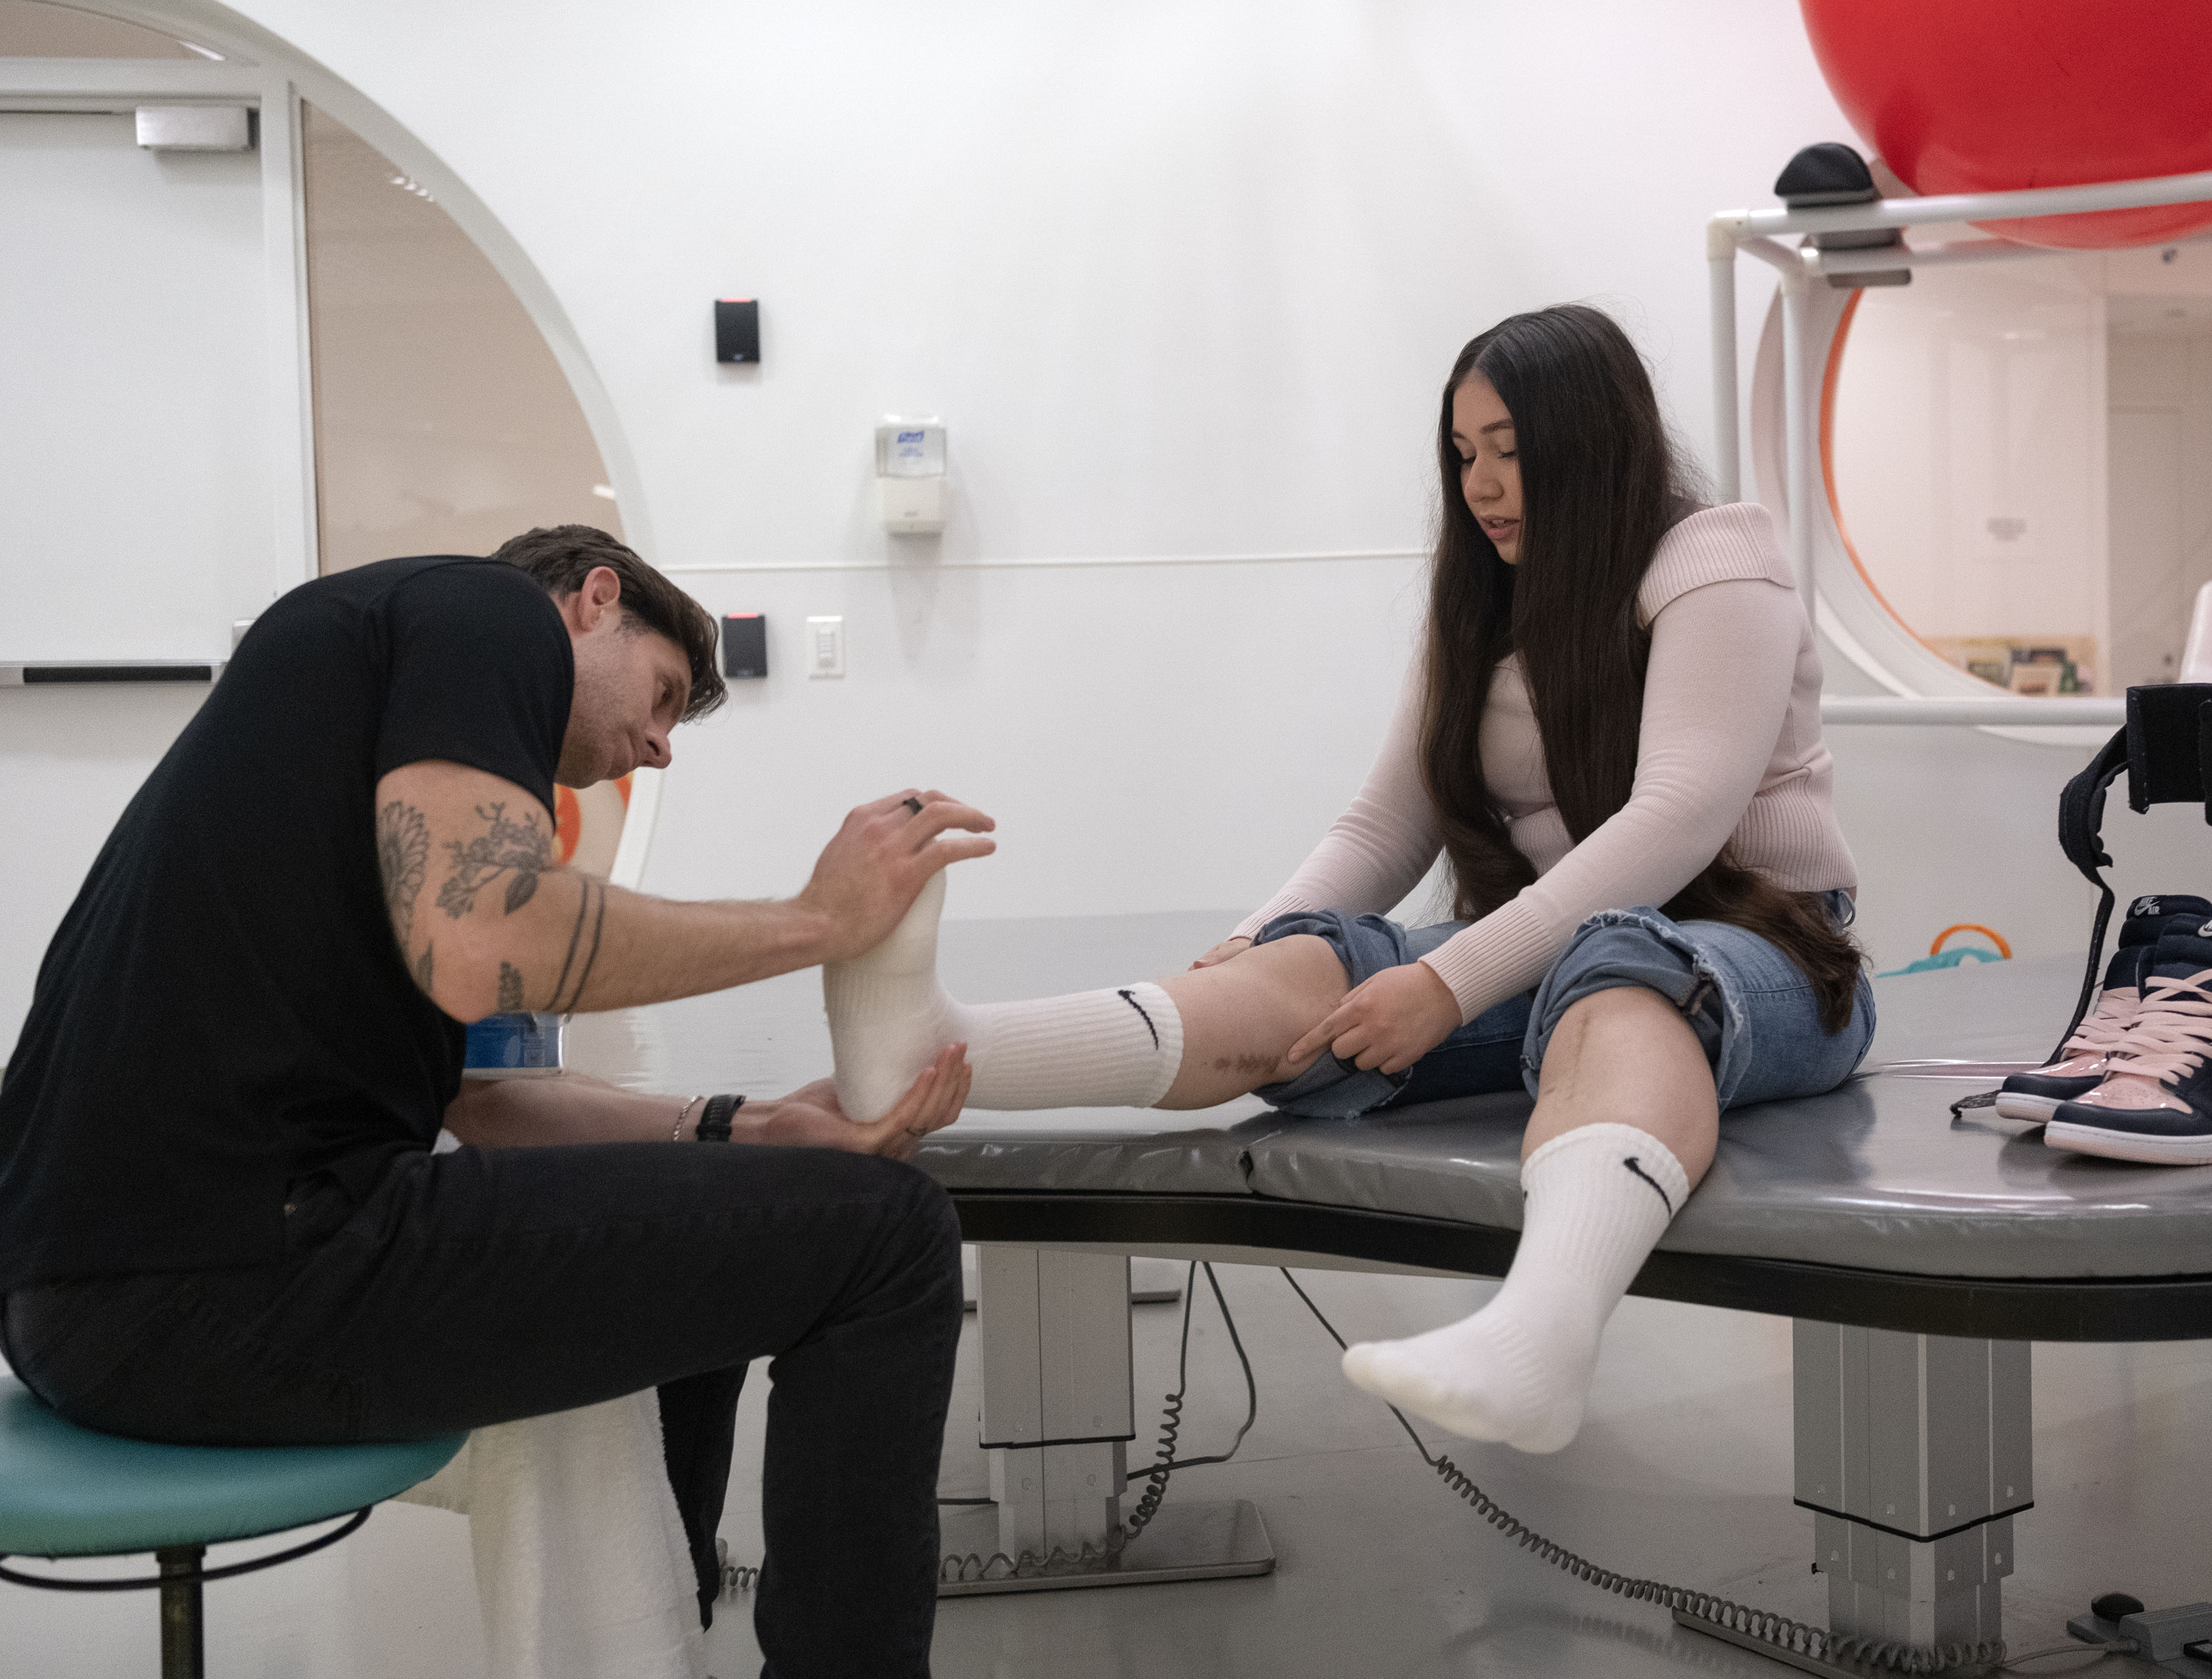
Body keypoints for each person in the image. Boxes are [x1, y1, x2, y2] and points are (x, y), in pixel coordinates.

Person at [822, 305, 1872, 1455]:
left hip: (1763, 951)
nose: (1484, 485)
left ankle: (1539, 1340)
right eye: (1465, 455)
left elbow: (1677, 818)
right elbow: (1387, 819)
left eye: (1513, 449)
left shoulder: (1715, 556)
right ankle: (933, 1052)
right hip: (1560, 952)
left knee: (1624, 972)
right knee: (1313, 964)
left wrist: (1454, 981)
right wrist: (1254, 943)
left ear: (1594, 439)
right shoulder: (1483, 600)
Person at [0, 525, 994, 1677]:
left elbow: (486, 1100)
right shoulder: (485, 614)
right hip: (222, 1278)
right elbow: (492, 944)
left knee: (735, 1212)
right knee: (891, 1237)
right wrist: (820, 920)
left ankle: (671, 1636)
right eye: (666, 695)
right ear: (591, 600)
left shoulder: (355, 709)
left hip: (87, 1299)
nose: (660, 749)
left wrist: (756, 1127)